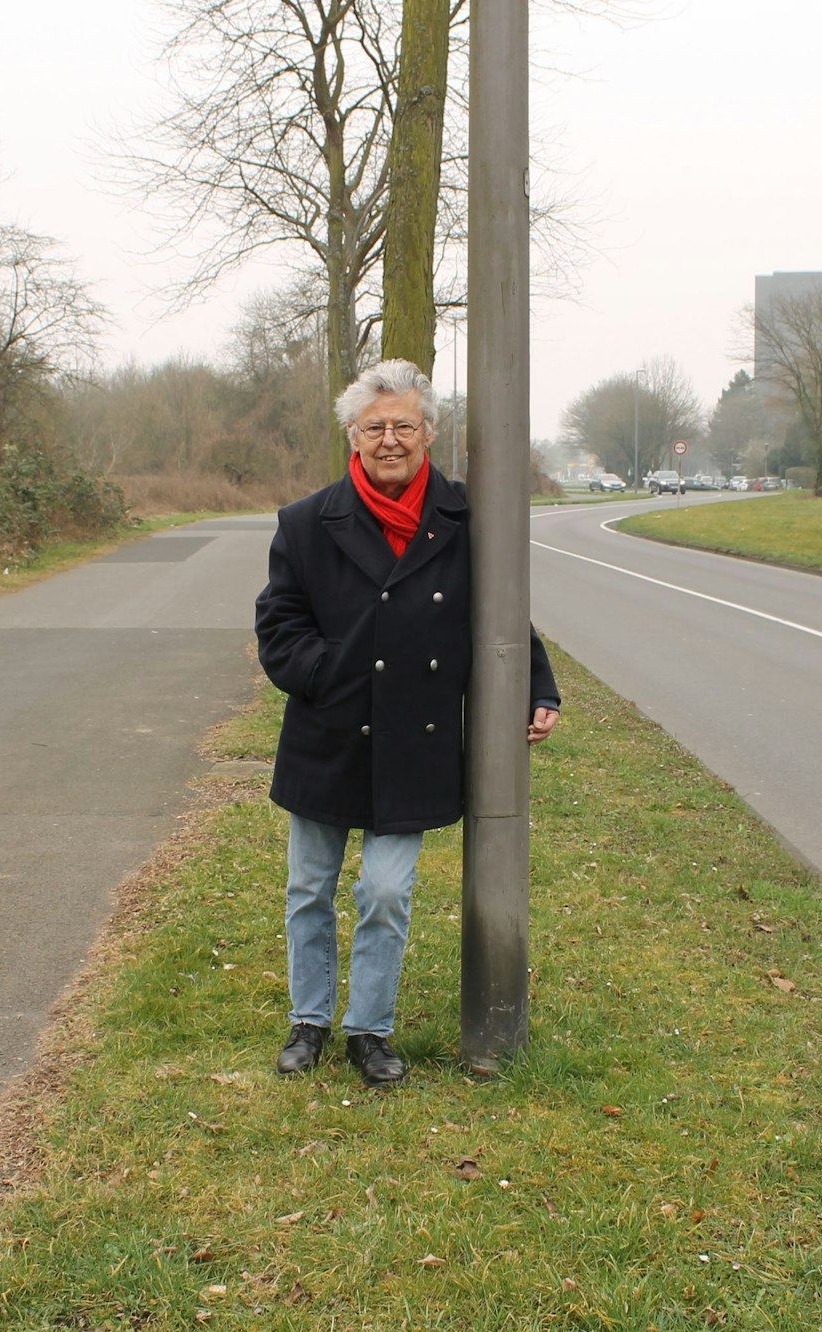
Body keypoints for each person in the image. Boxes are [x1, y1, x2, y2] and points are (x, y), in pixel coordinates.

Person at [254, 358, 560, 1087]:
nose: (390, 439)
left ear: (428, 433)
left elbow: (503, 616)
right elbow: (279, 626)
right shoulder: (305, 523)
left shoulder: (464, 520)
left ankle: (370, 1030)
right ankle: (310, 1021)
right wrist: (327, 675)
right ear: (352, 437)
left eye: (404, 425)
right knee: (310, 888)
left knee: (386, 892)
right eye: (374, 427)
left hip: (415, 738)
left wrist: (535, 685)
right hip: (329, 735)